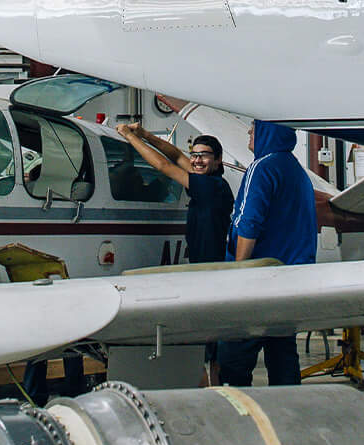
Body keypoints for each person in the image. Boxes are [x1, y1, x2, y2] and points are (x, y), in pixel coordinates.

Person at [218, 122, 318, 387]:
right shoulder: (297, 172)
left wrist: (239, 270)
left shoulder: (262, 167)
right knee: (282, 353)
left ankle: (236, 411)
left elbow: (248, 222)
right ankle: (289, 410)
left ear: (267, 133)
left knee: (234, 356)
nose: (249, 134)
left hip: (259, 282)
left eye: (253, 129)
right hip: (291, 281)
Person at [115, 121, 233, 264]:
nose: (197, 160)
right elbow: (177, 156)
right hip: (203, 263)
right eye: (194, 155)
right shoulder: (209, 179)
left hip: (210, 266)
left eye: (204, 155)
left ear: (218, 159)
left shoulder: (211, 186)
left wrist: (129, 136)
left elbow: (163, 165)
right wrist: (145, 134)